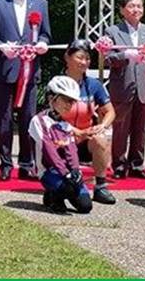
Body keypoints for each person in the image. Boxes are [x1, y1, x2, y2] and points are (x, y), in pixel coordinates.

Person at [0, 0, 51, 181]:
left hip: (30, 71)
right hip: (5, 69)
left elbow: (46, 34)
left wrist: (42, 43)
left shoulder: (40, 4)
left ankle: (26, 163)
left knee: (28, 118)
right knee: (3, 119)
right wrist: (1, 46)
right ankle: (5, 163)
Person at [104, 0, 145, 179]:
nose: (136, 9)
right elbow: (108, 58)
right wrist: (126, 55)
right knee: (121, 127)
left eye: (139, 6)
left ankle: (137, 164)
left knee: (141, 127)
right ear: (122, 10)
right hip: (122, 86)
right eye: (131, 6)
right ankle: (119, 165)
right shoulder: (112, 31)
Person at [28, 76, 94, 214]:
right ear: (51, 98)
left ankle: (60, 190)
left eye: (72, 101)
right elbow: (49, 151)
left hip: (67, 172)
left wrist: (75, 171)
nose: (69, 104)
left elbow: (71, 150)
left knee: (85, 206)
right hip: (49, 170)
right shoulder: (38, 121)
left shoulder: (65, 124)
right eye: (65, 99)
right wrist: (65, 174)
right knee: (67, 189)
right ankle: (52, 196)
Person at [63, 39, 116, 205]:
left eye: (87, 58)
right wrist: (75, 131)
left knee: (101, 139)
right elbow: (50, 119)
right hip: (63, 138)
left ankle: (100, 186)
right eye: (79, 57)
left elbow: (110, 111)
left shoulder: (94, 85)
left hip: (86, 138)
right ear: (67, 57)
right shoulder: (57, 83)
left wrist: (103, 125)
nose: (84, 62)